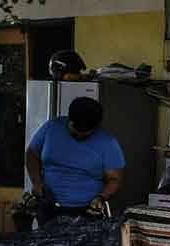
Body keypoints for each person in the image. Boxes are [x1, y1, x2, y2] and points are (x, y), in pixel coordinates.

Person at [25, 96, 124, 224]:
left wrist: (101, 197)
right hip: (47, 205)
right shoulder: (51, 128)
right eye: (75, 131)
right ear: (69, 120)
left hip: (86, 212)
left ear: (95, 128)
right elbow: (32, 154)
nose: (79, 135)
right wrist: (37, 182)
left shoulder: (108, 143)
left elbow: (115, 179)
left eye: (85, 133)